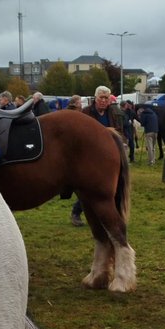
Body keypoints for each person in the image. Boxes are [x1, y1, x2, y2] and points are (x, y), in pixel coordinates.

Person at [71, 85, 124, 226]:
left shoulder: (113, 112)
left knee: (113, 186)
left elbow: (119, 130)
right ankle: (77, 212)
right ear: (96, 98)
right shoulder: (86, 112)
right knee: (89, 187)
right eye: (101, 98)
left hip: (109, 155)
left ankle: (114, 215)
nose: (104, 101)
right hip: (90, 156)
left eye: (106, 98)